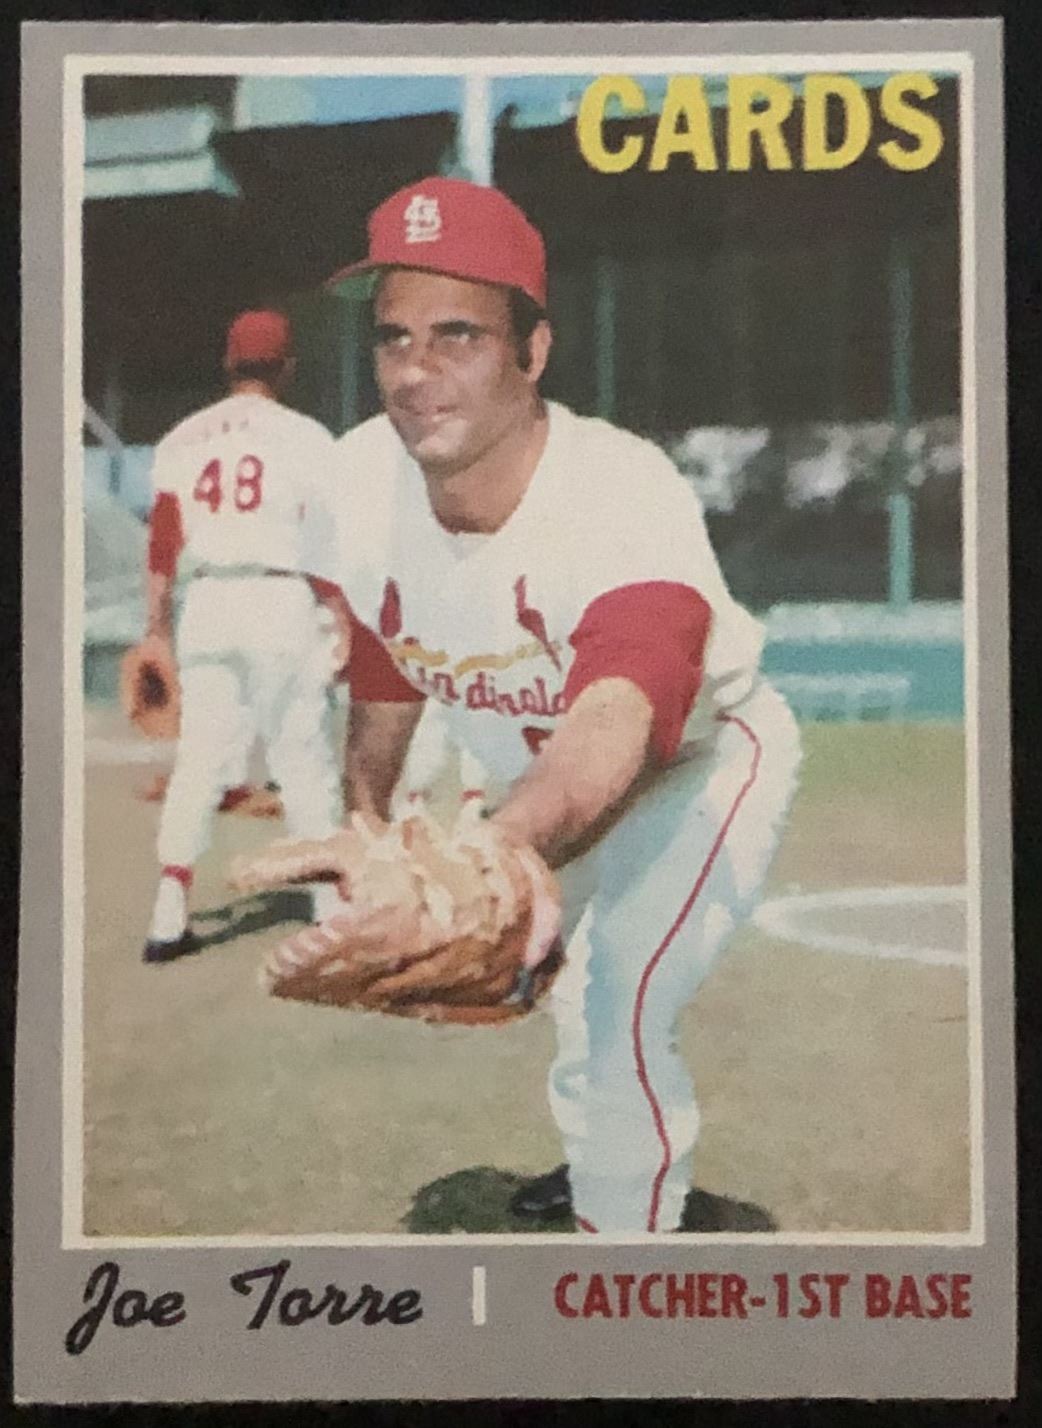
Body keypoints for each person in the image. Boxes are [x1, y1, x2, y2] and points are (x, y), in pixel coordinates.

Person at [313, 176, 802, 1234]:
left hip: (700, 762)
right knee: (553, 992)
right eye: (395, 338)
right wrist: (365, 826)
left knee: (620, 992)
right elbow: (386, 666)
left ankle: (623, 1261)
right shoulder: (354, 483)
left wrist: (496, 850)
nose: (416, 371)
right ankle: (605, 1178)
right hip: (535, 780)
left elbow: (615, 720)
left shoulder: (621, 494)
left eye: (459, 336)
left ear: (533, 353)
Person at [142, 310, 350, 961]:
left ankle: (168, 914)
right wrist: (341, 616)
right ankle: (328, 909)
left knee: (200, 760)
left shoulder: (182, 437)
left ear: (228, 364)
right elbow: (323, 543)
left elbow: (163, 545)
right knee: (301, 756)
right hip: (278, 597)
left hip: (207, 600)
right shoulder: (309, 437)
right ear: (287, 367)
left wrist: (155, 631)